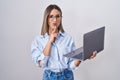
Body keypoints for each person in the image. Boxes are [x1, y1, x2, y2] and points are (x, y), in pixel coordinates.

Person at [31, 4, 96, 80]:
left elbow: (71, 65)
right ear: (46, 19)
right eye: (51, 16)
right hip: (49, 77)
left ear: (61, 18)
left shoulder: (68, 38)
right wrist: (50, 41)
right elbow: (42, 64)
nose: (55, 20)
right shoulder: (38, 40)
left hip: (67, 76)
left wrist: (82, 57)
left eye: (57, 16)